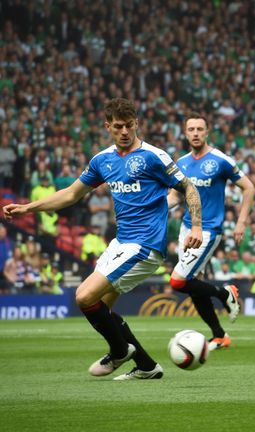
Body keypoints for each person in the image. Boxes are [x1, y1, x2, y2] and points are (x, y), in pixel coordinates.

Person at [3, 98, 204, 380]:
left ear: (137, 124)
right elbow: (71, 194)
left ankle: (120, 352)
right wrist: (27, 207)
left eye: (129, 125)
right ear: (108, 126)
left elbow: (188, 187)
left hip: (145, 245)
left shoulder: (153, 156)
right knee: (103, 311)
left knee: (84, 296)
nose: (124, 131)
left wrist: (196, 226)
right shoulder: (102, 160)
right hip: (121, 243)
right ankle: (147, 367)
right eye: (118, 126)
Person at [167, 112, 255, 350]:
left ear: (207, 132)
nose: (195, 133)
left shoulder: (220, 160)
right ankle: (219, 335)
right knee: (193, 284)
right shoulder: (182, 163)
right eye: (191, 129)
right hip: (186, 229)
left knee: (178, 281)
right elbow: (176, 194)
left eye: (200, 129)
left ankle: (225, 293)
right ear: (185, 133)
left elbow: (248, 188)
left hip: (208, 231)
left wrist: (241, 222)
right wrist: (160, 207)